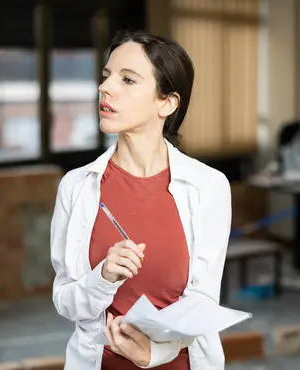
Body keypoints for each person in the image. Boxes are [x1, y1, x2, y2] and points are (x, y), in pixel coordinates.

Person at [50, 29, 232, 370]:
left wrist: (154, 354)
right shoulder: (76, 187)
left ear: (167, 103)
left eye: (128, 80)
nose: (105, 88)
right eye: (106, 76)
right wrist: (102, 276)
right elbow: (65, 301)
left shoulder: (209, 186)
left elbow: (202, 303)